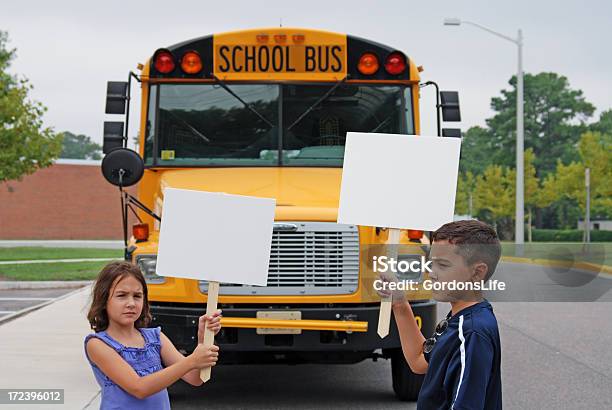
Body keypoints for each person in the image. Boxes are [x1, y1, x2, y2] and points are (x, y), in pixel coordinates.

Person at [379, 220, 503, 409]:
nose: (432, 274)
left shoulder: (471, 333)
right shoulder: (461, 318)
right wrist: (399, 303)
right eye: (431, 264)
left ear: (477, 273)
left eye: (443, 265)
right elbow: (419, 361)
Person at [85, 261, 222, 409]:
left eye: (137, 296)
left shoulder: (155, 338)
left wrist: (203, 338)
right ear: (104, 299)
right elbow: (139, 388)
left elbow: (195, 378)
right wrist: (192, 360)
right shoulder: (98, 344)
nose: (131, 303)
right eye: (122, 295)